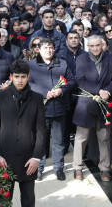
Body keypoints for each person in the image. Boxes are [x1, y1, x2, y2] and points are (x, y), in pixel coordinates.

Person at [0, 59, 46, 207]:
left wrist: (36, 157)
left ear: (28, 77)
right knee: (4, 200)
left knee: (28, 200)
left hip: (28, 159)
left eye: (23, 77)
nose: (20, 80)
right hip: (5, 159)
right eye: (17, 77)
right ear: (11, 77)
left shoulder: (37, 99)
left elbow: (41, 131)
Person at [71, 35, 112, 182]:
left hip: (105, 102)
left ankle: (105, 168)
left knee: (104, 138)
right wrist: (98, 91)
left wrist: (107, 91)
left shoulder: (111, 59)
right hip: (86, 102)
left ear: (102, 45)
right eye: (91, 46)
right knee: (81, 137)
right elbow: (80, 81)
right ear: (88, 47)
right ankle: (77, 167)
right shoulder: (81, 59)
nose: (95, 48)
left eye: (97, 45)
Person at [28, 38, 77, 181]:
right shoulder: (31, 65)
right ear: (39, 49)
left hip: (59, 107)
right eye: (45, 48)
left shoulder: (62, 63)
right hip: (40, 108)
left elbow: (72, 81)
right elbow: (28, 83)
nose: (48, 50)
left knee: (58, 140)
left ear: (54, 49)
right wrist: (44, 92)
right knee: (40, 140)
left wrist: (61, 90)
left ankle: (58, 168)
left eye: (51, 47)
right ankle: (39, 168)